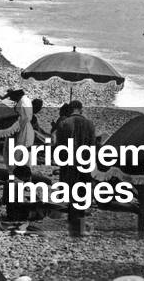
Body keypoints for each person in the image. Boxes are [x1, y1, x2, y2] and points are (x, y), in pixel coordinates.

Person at [55, 100, 96, 237]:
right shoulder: (90, 124)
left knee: (71, 193)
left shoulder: (64, 124)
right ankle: (80, 223)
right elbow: (92, 145)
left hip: (69, 163)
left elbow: (59, 146)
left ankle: (72, 223)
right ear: (80, 109)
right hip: (85, 162)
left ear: (70, 110)